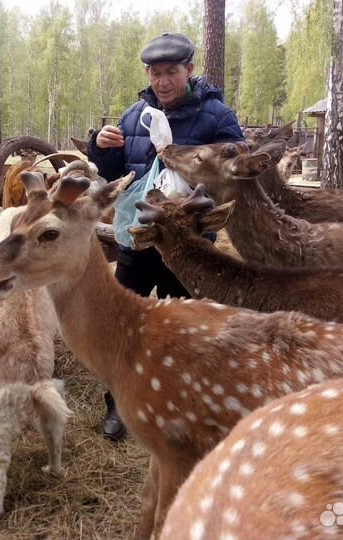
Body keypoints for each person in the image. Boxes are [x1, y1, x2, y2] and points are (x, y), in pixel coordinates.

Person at [87, 32, 244, 441]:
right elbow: (115, 170)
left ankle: (185, 405)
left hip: (189, 247)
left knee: (188, 329)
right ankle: (120, 405)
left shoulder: (215, 116)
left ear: (189, 71)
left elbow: (234, 171)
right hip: (138, 241)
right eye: (156, 74)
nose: (163, 82)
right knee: (123, 325)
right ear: (148, 74)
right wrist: (100, 147)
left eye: (171, 72)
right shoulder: (133, 115)